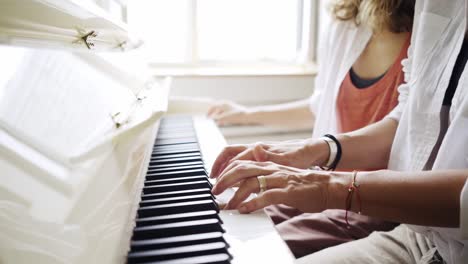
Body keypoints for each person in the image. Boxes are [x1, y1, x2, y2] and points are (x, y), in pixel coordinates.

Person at [210, 0, 468, 263]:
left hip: (383, 205)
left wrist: (328, 186)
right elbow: (409, 119)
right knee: (233, 216)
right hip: (416, 231)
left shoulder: (414, 20)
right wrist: (316, 149)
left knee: (253, 248)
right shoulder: (434, 7)